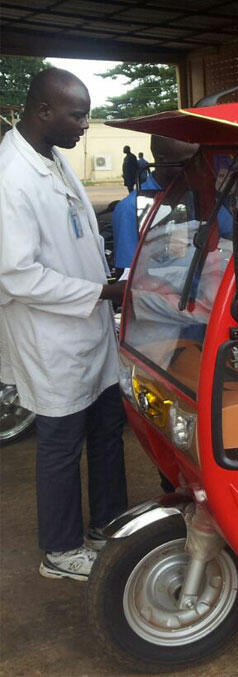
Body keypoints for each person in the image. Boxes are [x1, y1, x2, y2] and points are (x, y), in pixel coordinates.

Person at [0, 68, 128, 581]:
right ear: (43, 111)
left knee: (106, 427)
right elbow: (16, 275)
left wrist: (107, 278)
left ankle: (109, 524)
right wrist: (101, 291)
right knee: (59, 442)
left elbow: (77, 236)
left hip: (89, 327)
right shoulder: (12, 175)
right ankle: (59, 549)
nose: (85, 125)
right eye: (77, 115)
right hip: (51, 337)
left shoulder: (52, 159)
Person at [111, 135, 198, 272]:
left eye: (198, 160)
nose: (196, 168)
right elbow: (130, 272)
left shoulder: (199, 197)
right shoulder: (130, 208)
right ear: (162, 160)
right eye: (186, 163)